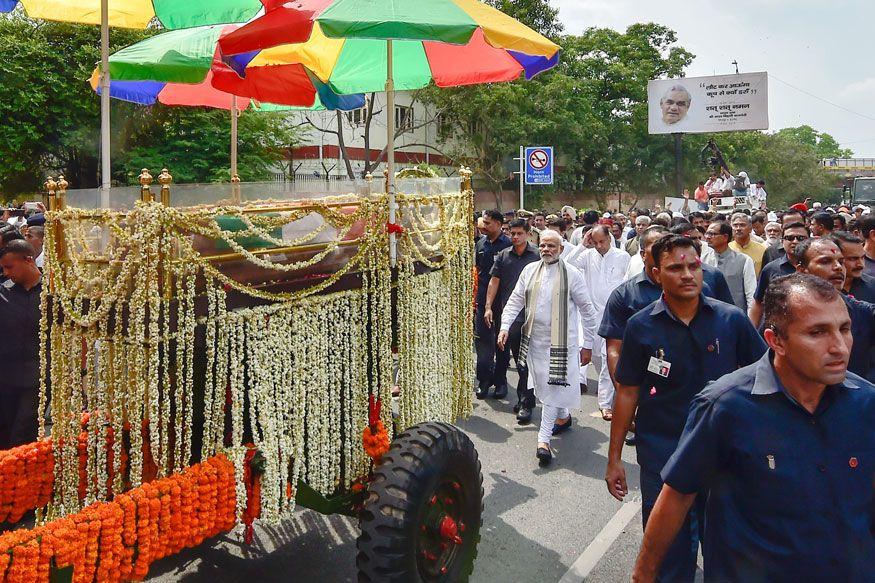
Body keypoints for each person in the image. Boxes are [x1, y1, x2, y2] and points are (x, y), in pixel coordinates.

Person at [634, 274, 875, 582]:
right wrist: (644, 573)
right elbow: (678, 495)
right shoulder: (725, 406)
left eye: (845, 329)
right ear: (776, 341)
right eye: (817, 333)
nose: (840, 347)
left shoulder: (866, 403)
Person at [606, 234, 766, 583]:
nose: (688, 274)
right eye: (675, 268)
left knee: (727, 553)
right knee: (668, 557)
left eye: (694, 266)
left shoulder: (731, 321)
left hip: (725, 457)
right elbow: (628, 391)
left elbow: (762, 379)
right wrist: (614, 458)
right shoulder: (641, 326)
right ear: (655, 273)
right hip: (663, 453)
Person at [498, 230, 598, 464]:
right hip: (534, 341)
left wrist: (588, 345)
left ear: (561, 249)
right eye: (543, 245)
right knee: (545, 386)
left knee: (553, 388)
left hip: (562, 344)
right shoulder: (530, 271)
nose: (546, 250)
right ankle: (563, 417)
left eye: (552, 246)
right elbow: (515, 301)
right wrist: (504, 326)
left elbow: (588, 312)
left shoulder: (572, 274)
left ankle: (543, 440)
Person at [567, 226, 630, 420]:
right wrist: (582, 245)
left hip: (614, 315)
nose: (599, 246)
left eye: (602, 241)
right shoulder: (587, 255)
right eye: (595, 242)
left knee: (606, 358)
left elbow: (627, 283)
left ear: (609, 238)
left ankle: (605, 403)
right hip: (591, 316)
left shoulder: (622, 257)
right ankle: (610, 392)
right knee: (596, 356)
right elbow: (566, 264)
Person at [794, 237, 875, 382]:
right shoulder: (786, 312)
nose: (838, 267)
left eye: (841, 261)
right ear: (801, 270)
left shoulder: (864, 313)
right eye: (825, 261)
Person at [483, 219, 541, 422]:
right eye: (512, 233)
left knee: (523, 361)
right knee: (504, 354)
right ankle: (504, 387)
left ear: (528, 234)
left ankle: (526, 401)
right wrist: (488, 307)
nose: (515, 237)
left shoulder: (537, 256)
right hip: (506, 315)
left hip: (530, 317)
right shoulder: (503, 256)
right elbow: (494, 281)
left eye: (519, 233)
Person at [0, 240, 44, 449]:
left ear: (28, 260)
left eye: (9, 267)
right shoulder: (3, 293)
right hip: (5, 378)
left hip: (37, 379)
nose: (6, 273)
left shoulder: (51, 292)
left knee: (23, 433)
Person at [474, 210, 512, 399]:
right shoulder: (480, 243)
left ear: (498, 223)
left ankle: (500, 381)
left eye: (488, 223)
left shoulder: (509, 245)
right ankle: (484, 380)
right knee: (482, 342)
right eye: (484, 223)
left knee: (502, 343)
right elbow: (477, 271)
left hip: (504, 301)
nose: (484, 226)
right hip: (482, 300)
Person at [749, 222, 809, 327]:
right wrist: (751, 331)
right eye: (789, 238)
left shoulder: (817, 267)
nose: (795, 241)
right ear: (782, 241)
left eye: (800, 238)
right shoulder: (771, 269)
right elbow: (758, 302)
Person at [704, 221, 756, 314]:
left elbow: (751, 294)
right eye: (707, 233)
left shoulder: (744, 260)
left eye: (712, 234)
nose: (708, 237)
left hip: (734, 316)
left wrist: (750, 321)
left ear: (725, 237)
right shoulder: (702, 259)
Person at [831, 231, 875, 303]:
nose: (861, 265)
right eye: (853, 259)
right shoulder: (818, 289)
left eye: (863, 258)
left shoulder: (872, 285)